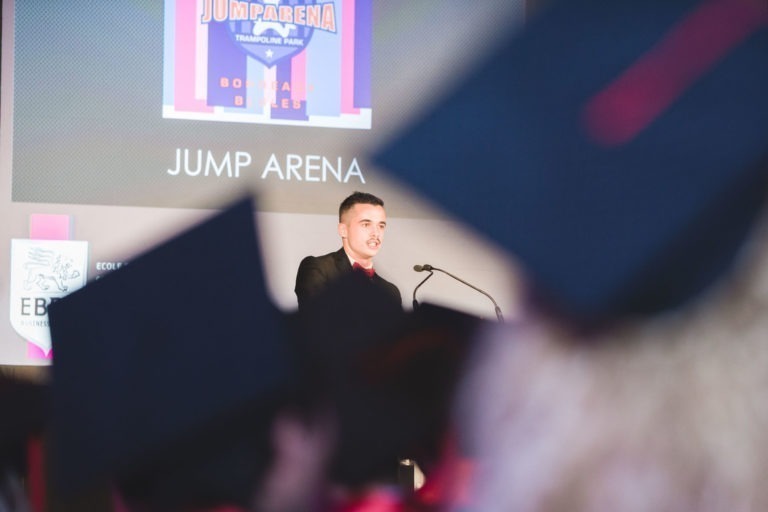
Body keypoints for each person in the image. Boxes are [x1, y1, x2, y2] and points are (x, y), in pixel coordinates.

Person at [294, 192, 401, 311]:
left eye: (381, 226)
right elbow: (316, 319)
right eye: (366, 224)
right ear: (343, 230)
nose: (376, 233)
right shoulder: (319, 268)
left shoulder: (391, 291)